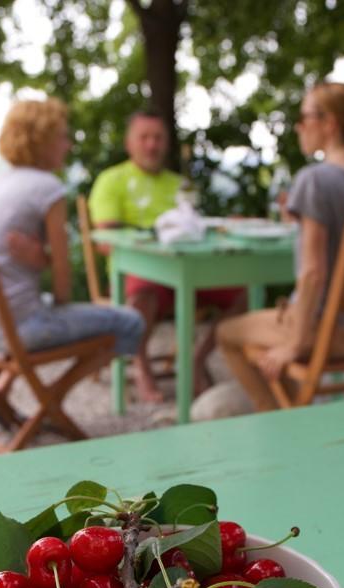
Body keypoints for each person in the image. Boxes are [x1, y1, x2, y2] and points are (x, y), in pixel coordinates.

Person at [215, 82, 344, 412]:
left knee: (226, 333)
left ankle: (281, 424)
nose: (299, 126)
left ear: (329, 124)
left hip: (319, 330)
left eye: (305, 117)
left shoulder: (315, 180)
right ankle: (293, 411)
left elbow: (313, 273)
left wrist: (294, 345)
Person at [0, 99, 144, 385]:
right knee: (131, 322)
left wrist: (39, 260)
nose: (68, 145)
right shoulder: (47, 188)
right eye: (61, 137)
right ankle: (56, 395)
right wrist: (51, 275)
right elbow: (62, 286)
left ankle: (0, 392)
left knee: (42, 306)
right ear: (42, 140)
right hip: (16, 328)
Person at [88, 109, 246, 402]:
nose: (152, 145)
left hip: (188, 270)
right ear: (129, 143)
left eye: (158, 138)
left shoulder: (179, 184)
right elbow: (104, 242)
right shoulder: (111, 180)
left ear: (166, 143)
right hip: (141, 274)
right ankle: (141, 365)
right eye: (144, 137)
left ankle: (196, 360)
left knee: (243, 290)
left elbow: (195, 229)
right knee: (144, 294)